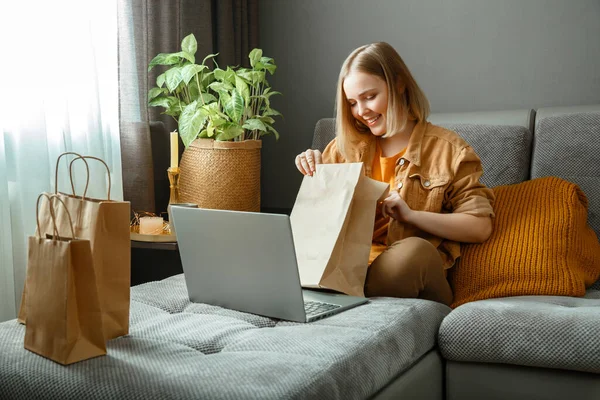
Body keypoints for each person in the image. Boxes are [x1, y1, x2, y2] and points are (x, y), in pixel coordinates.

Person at [294, 42, 495, 306]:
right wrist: (313, 172)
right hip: (343, 272)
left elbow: (480, 226)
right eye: (353, 103)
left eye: (369, 96)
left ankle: (347, 299)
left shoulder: (449, 151)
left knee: (415, 251)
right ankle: (334, 299)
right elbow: (315, 229)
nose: (361, 111)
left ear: (399, 84)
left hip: (405, 275)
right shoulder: (344, 148)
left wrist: (411, 216)